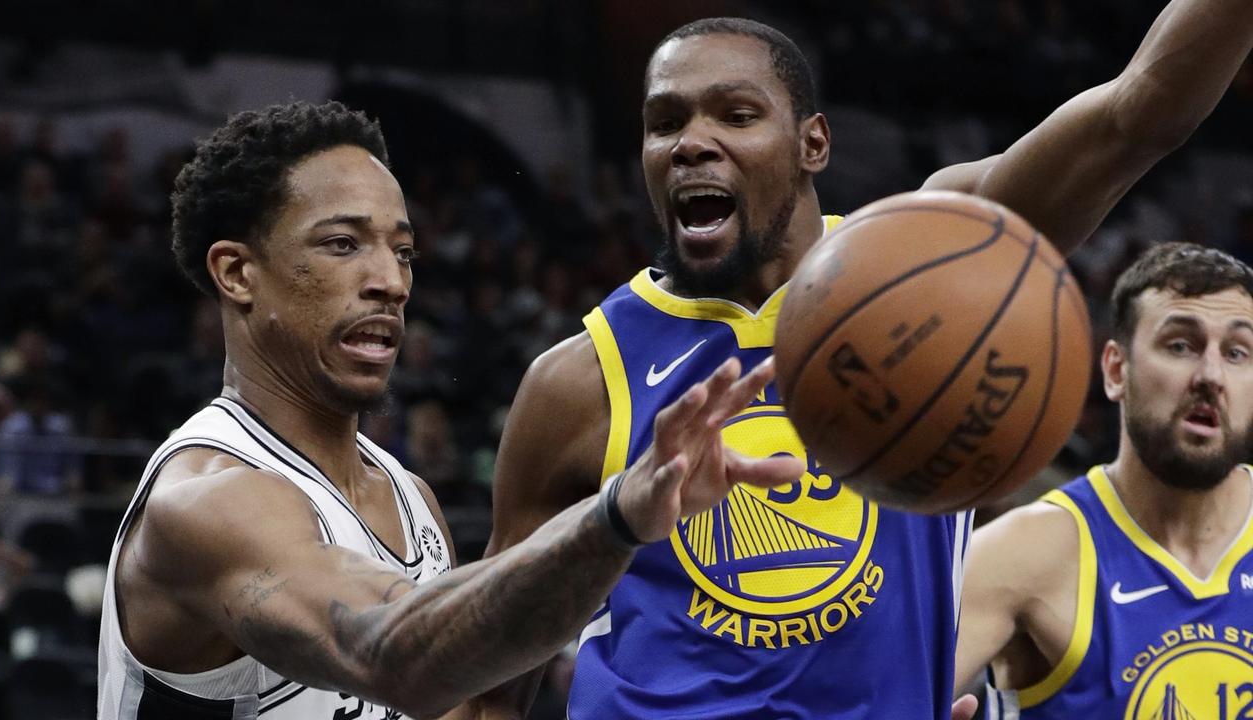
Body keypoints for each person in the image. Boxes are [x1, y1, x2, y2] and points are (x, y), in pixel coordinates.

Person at [476, 4, 1253, 719]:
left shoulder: (930, 266)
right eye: (663, 122)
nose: (691, 142)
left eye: (737, 115)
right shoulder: (577, 381)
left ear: (814, 142)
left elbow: (1137, 113)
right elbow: (481, 686)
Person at [96, 101, 804, 719]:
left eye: (402, 251)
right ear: (236, 272)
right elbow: (393, 657)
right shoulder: (205, 503)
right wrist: (613, 520)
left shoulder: (411, 500)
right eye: (343, 245)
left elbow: (463, 702)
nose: (389, 282)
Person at [955, 242, 1253, 718]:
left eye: (1237, 352)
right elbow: (872, 699)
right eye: (1180, 345)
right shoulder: (1023, 556)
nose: (1211, 375)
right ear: (1116, 370)